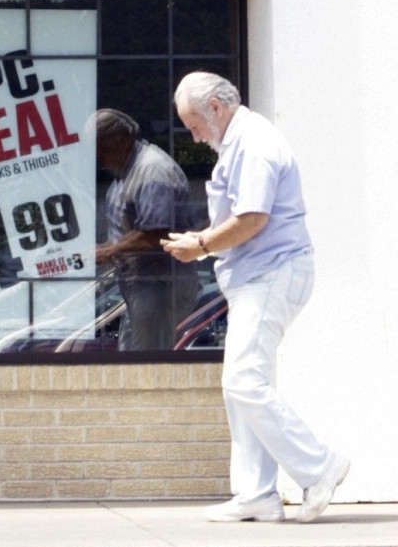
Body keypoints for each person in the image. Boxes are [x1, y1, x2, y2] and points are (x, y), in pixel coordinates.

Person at [163, 72, 349, 523]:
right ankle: (256, 495)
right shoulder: (241, 142)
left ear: (216, 109)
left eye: (194, 124)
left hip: (271, 274)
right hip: (259, 276)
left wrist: (202, 244)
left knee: (244, 380)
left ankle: (319, 467)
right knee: (240, 387)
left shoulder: (254, 143)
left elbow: (252, 219)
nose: (194, 134)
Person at [95, 109, 196, 351]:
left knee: (146, 362)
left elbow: (157, 233)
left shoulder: (152, 171)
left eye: (98, 149)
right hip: (141, 286)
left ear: (118, 141)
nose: (96, 159)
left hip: (159, 286)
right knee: (132, 356)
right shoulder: (127, 170)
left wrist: (110, 251)